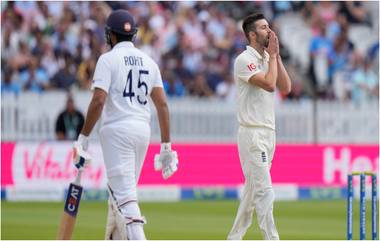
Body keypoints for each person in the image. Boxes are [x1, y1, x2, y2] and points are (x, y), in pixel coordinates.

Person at [72, 10, 178, 240]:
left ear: (110, 35)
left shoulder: (107, 59)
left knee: (126, 200)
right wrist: (166, 146)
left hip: (117, 131)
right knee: (120, 196)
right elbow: (162, 105)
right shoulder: (150, 62)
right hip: (142, 131)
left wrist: (82, 138)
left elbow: (99, 100)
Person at [227, 12, 291, 240]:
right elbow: (270, 85)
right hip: (252, 133)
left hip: (268, 133)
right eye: (264, 28)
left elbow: (286, 87)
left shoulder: (267, 58)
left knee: (251, 193)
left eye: (269, 26)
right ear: (252, 34)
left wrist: (277, 56)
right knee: (264, 191)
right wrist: (271, 57)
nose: (270, 31)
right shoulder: (245, 60)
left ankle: (234, 237)